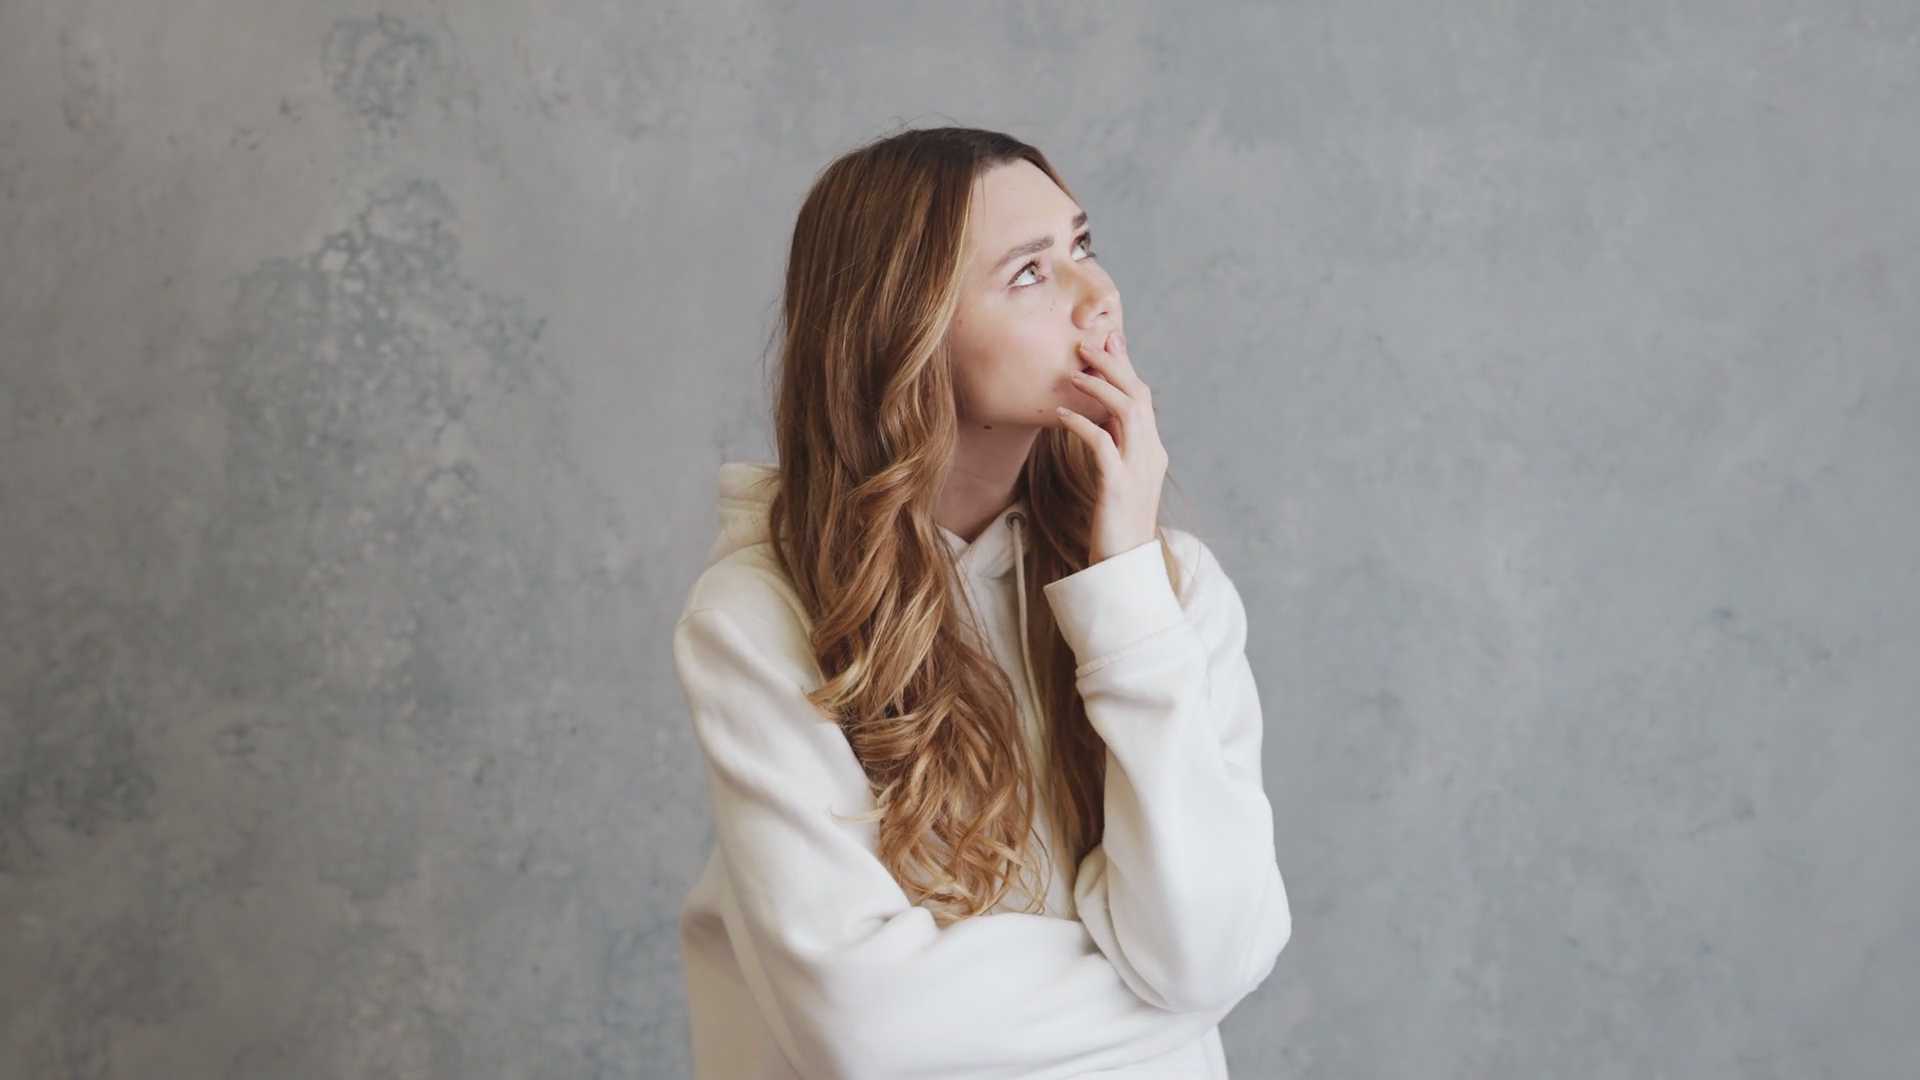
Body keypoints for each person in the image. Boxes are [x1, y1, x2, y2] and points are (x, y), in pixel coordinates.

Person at [673, 125, 1291, 1079]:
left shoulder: (1171, 590)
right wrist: (1173, 1003)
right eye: (1030, 273)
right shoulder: (758, 621)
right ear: (906, 332)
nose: (1099, 294)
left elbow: (1212, 953)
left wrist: (1125, 602)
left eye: (1083, 244)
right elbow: (866, 1029)